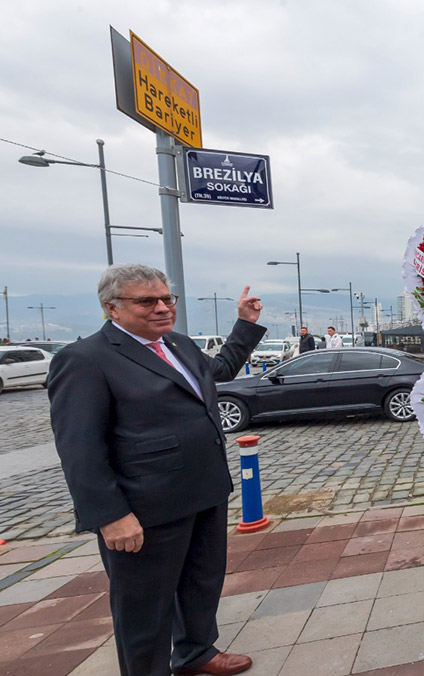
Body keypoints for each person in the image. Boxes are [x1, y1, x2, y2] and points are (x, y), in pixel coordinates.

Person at [47, 264, 266, 676]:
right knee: (144, 606)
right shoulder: (85, 359)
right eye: (147, 301)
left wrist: (244, 325)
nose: (163, 308)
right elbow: (80, 447)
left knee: (202, 583)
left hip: (203, 491)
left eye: (167, 299)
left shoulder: (178, 344)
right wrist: (110, 515)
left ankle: (196, 652)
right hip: (145, 507)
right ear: (111, 308)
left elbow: (218, 371)